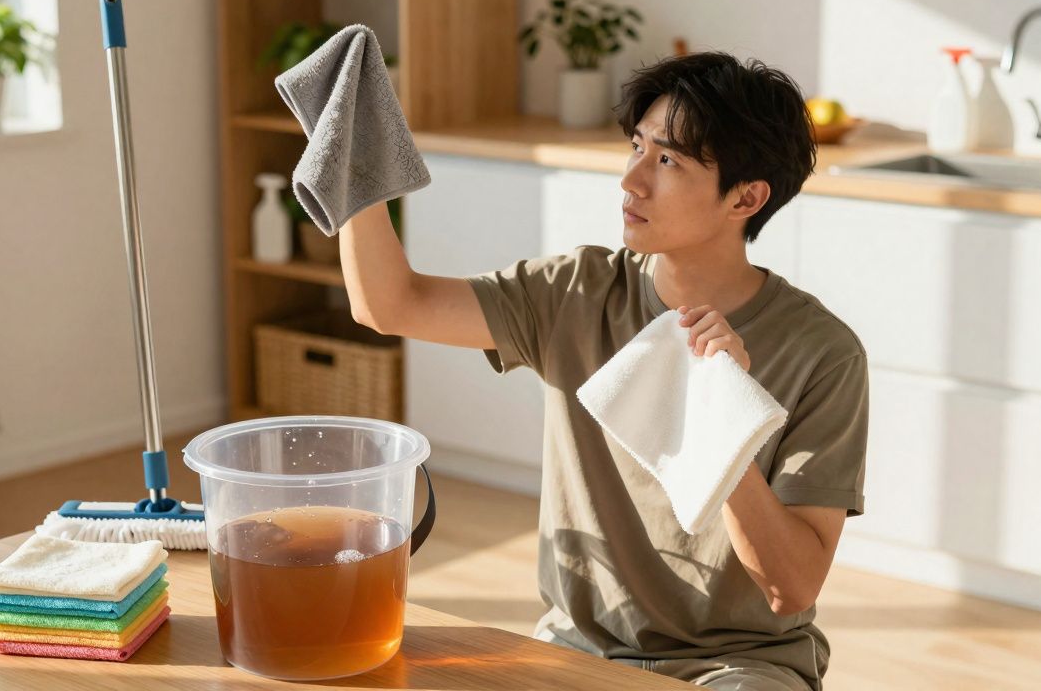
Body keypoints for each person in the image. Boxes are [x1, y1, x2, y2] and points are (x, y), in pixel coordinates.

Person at [339, 52, 869, 691]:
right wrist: (351, 154)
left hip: (739, 667)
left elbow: (790, 587)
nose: (633, 180)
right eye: (637, 148)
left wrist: (723, 414)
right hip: (576, 649)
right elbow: (389, 303)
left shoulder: (825, 353)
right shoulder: (576, 291)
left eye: (669, 161)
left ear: (748, 196)